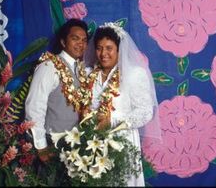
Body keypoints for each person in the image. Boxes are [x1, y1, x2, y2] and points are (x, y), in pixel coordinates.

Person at [83, 22, 161, 186]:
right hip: (92, 142)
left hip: (122, 143)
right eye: (99, 48)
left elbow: (145, 112)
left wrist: (112, 120)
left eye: (109, 48)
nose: (103, 53)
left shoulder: (134, 74)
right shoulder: (89, 74)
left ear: (119, 49)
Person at [25, 18, 90, 162]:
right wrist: (41, 147)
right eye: (75, 38)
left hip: (74, 143)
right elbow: (35, 106)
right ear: (63, 41)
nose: (81, 44)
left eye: (84, 40)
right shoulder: (49, 66)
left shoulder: (80, 69)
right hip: (51, 142)